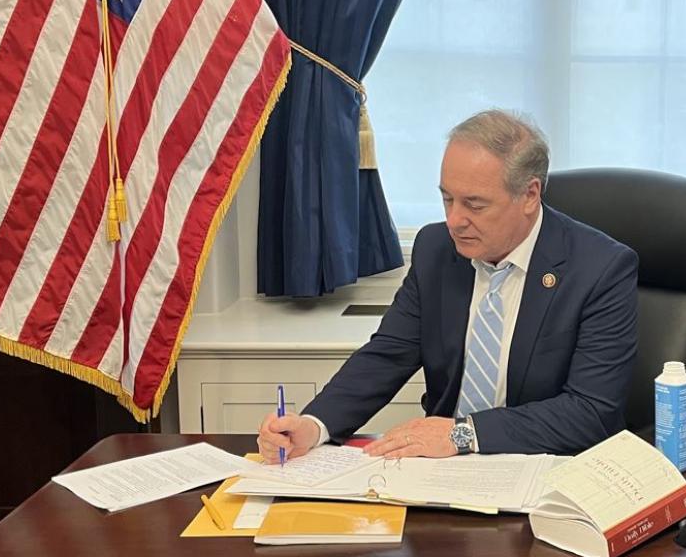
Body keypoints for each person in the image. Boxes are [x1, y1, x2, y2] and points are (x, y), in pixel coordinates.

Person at [257, 110, 639, 461]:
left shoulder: (600, 268)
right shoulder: (436, 249)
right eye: (447, 199)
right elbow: (388, 355)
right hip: (440, 477)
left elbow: (591, 411)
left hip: (542, 471)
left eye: (474, 205)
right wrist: (314, 425)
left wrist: (464, 435)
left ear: (529, 195)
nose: (455, 220)